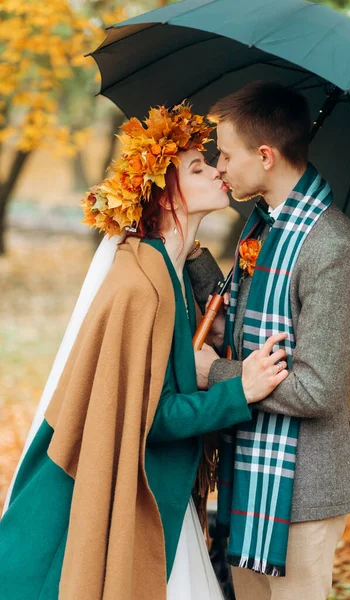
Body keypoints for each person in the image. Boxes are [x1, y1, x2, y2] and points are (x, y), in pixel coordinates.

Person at [0, 103, 289, 600]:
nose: (217, 168)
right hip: (123, 490)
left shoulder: (167, 272)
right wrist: (237, 389)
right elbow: (146, 417)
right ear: (164, 195)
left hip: (154, 489)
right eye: (197, 168)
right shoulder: (140, 285)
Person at [190, 82, 350, 600]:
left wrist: (215, 374)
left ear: (265, 156)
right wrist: (190, 245)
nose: (218, 166)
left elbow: (319, 390)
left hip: (302, 488)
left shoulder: (330, 243)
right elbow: (249, 328)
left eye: (225, 154)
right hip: (249, 474)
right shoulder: (265, 227)